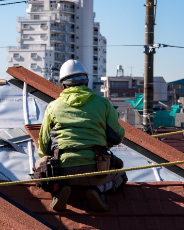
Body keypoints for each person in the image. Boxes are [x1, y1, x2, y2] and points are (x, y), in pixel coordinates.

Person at [37, 60, 126, 212]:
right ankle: (99, 189)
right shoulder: (103, 104)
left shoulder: (52, 107)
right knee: (121, 175)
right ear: (87, 81)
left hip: (64, 172)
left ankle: (58, 191)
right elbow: (116, 137)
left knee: (41, 168)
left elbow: (44, 147)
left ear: (63, 85)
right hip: (97, 170)